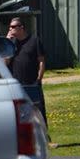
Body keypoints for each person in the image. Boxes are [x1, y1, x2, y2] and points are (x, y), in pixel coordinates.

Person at [5, 17, 55, 147]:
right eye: (10, 27)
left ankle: (45, 141)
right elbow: (5, 63)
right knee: (17, 114)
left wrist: (39, 79)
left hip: (32, 83)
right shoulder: (11, 44)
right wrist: (7, 43)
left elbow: (41, 61)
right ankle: (21, 142)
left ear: (21, 27)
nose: (10, 29)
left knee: (38, 112)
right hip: (16, 85)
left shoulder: (34, 41)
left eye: (13, 27)